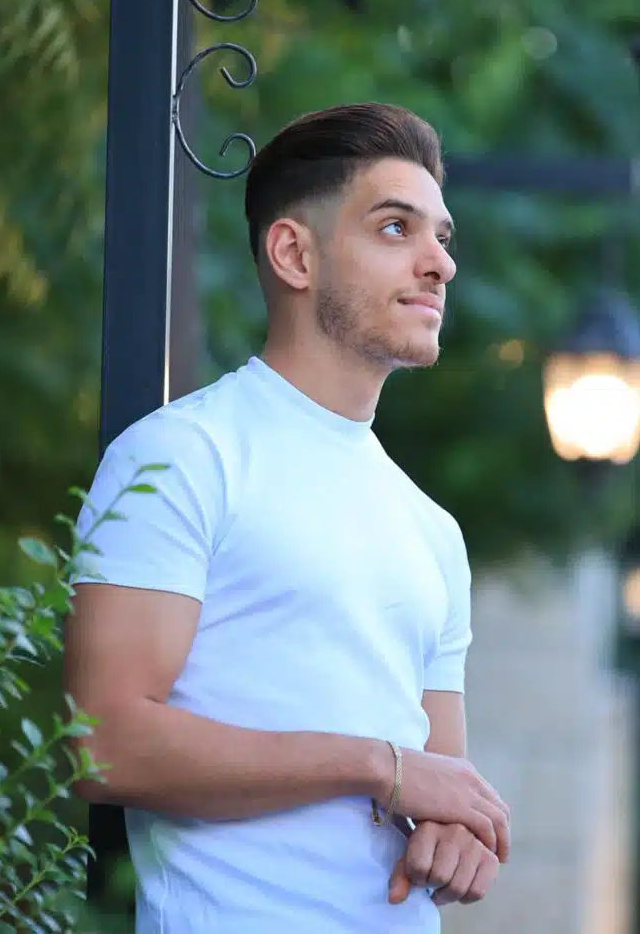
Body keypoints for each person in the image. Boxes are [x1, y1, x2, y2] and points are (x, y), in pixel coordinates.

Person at [64, 102, 510, 933]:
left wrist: (460, 834)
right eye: (396, 228)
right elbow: (105, 743)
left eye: (442, 236)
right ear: (294, 254)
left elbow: (437, 784)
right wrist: (377, 766)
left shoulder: (431, 531)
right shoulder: (183, 456)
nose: (440, 263)